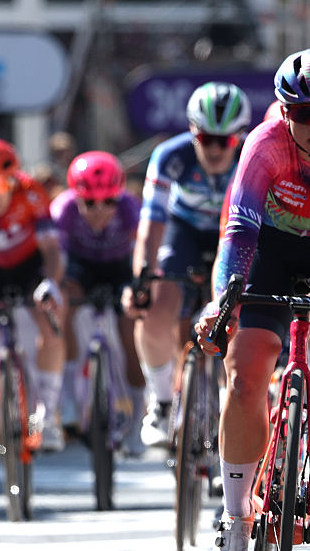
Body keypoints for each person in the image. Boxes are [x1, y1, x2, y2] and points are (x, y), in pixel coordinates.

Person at [194, 49, 310, 550]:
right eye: (304, 115)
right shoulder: (263, 144)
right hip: (269, 244)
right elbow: (240, 230)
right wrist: (219, 306)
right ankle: (236, 514)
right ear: (283, 112)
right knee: (245, 370)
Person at [121, 82, 251, 448]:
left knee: (242, 314)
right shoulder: (170, 155)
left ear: (239, 137)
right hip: (184, 230)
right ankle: (162, 403)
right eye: (205, 138)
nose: (214, 149)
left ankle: (234, 404)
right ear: (192, 132)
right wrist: (140, 280)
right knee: (156, 305)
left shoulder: (253, 154)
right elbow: (151, 224)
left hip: (234, 231)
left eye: (224, 141)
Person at [0, 137, 65, 461]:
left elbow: (50, 248)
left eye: (2, 184)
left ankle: (47, 415)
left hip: (28, 266)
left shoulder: (32, 191)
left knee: (51, 320)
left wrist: (50, 282)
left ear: (15, 179)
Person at [51, 151, 146, 455]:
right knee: (63, 301)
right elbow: (56, 258)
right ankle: (68, 402)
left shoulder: (130, 207)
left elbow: (143, 250)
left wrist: (138, 285)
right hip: (81, 268)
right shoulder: (63, 209)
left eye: (109, 202)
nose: (99, 210)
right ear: (75, 197)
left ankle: (138, 418)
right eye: (89, 202)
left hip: (119, 268)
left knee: (130, 335)